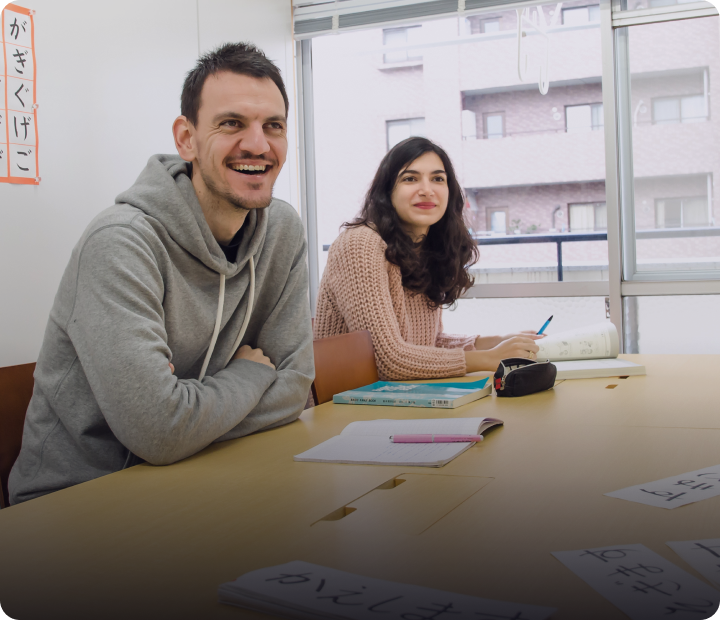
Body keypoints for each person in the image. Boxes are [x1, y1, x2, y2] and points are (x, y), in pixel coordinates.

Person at [9, 43, 314, 504]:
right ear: (186, 138)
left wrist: (186, 417)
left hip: (204, 475)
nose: (257, 144)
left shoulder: (283, 231)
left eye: (273, 126)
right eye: (231, 123)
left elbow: (295, 388)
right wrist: (250, 376)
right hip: (77, 503)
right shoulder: (120, 243)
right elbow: (159, 430)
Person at [313, 137, 540, 381]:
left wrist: (493, 342)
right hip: (340, 409)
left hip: (396, 401)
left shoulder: (424, 248)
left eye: (438, 179)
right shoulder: (359, 244)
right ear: (387, 191)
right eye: (410, 178)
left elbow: (426, 343)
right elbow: (387, 359)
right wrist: (489, 359)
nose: (427, 189)